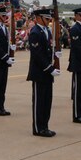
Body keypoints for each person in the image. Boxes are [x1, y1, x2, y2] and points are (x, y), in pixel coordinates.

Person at [27, 7, 60, 137]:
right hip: (39, 72)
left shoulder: (47, 31)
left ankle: (45, 126)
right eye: (47, 19)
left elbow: (48, 50)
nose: (49, 21)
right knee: (39, 102)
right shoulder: (35, 32)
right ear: (39, 18)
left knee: (47, 101)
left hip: (47, 72)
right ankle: (38, 128)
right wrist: (49, 68)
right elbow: (37, 54)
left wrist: (56, 55)